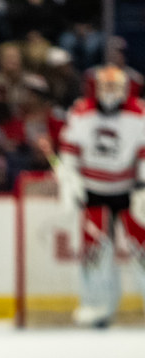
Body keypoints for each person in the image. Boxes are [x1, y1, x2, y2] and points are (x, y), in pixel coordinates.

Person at [54, 64, 145, 327]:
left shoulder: (139, 114)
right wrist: (69, 182)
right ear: (96, 88)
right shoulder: (81, 113)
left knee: (142, 253)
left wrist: (143, 186)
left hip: (129, 192)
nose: (110, 92)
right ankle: (96, 305)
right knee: (93, 253)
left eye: (115, 87)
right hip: (93, 191)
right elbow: (69, 154)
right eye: (106, 86)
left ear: (125, 89)